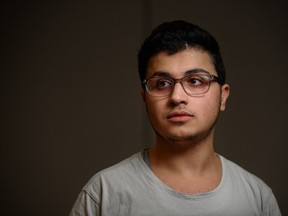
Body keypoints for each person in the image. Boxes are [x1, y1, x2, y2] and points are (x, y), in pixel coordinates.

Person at [69, 20, 281, 215]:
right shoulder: (103, 194)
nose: (177, 97)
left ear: (223, 96)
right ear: (145, 99)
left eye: (196, 81)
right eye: (162, 83)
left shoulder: (258, 199)